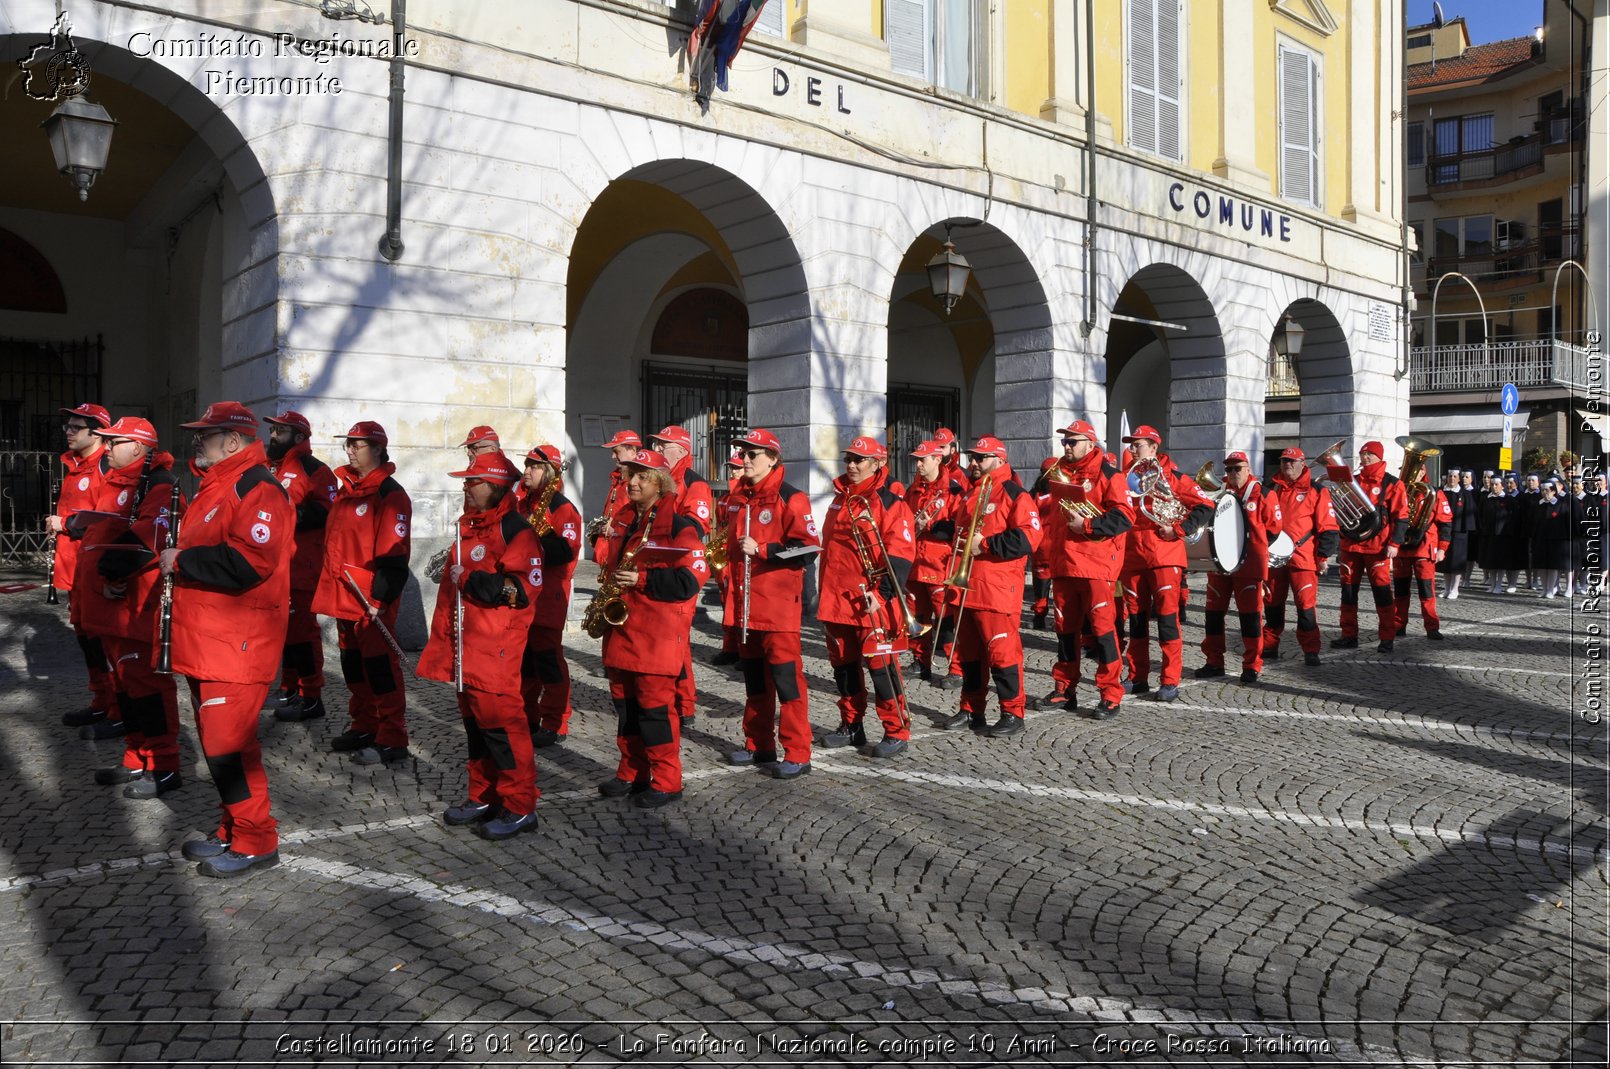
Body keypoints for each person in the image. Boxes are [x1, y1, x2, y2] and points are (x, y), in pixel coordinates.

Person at [160, 401, 294, 878]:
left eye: (206, 435)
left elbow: (247, 562)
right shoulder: (216, 486)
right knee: (223, 746)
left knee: (227, 750)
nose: (198, 442)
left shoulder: (258, 488)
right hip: (209, 642)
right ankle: (234, 828)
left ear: (232, 441)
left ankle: (256, 840)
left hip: (238, 644)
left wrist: (180, 561)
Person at [418, 451, 543, 840]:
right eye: (467, 481)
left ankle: (520, 805)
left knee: (503, 731)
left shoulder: (517, 532)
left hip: (495, 651)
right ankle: (484, 795)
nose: (466, 487)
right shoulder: (470, 528)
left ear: (495, 487)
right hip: (465, 649)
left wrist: (469, 578)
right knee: (475, 730)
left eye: (474, 481)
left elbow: (521, 591)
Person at [75, 417, 185, 797]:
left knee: (146, 685)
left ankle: (165, 763)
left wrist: (110, 577)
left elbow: (145, 540)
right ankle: (137, 757)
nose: (106, 448)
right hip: (113, 606)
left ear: (137, 447)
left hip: (137, 604)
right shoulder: (121, 481)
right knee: (124, 684)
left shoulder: (158, 485)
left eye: (114, 441)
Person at [595, 449, 709, 807]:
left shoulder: (680, 526)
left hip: (655, 636)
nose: (632, 481)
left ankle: (667, 780)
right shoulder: (628, 519)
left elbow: (691, 580)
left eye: (641, 476)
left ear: (660, 482)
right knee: (626, 710)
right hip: (623, 632)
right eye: (631, 474)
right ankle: (632, 772)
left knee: (655, 712)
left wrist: (642, 579)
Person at [312, 421, 414, 765]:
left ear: (378, 449)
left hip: (370, 599)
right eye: (349, 444)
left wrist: (381, 600)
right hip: (343, 596)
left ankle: (393, 736)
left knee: (380, 668)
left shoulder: (389, 493)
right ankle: (365, 724)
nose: (350, 449)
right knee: (353, 666)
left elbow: (394, 552)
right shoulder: (347, 490)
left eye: (358, 444)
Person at [720, 429, 821, 767]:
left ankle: (797, 753)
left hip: (777, 610)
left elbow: (808, 548)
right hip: (746, 608)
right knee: (754, 683)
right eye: (743, 453)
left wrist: (763, 550)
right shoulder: (739, 497)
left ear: (773, 459)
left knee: (787, 683)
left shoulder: (792, 497)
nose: (745, 459)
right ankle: (758, 744)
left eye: (753, 454)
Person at [817, 436, 916, 763]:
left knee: (881, 667)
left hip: (872, 600)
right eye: (849, 459)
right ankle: (851, 724)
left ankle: (896, 729)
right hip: (837, 598)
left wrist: (883, 593)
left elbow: (900, 555)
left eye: (860, 460)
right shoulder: (838, 499)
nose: (852, 465)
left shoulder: (891, 503)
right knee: (843, 667)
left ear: (877, 464)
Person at [939, 435, 1045, 733]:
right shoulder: (972, 493)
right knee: (969, 657)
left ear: (999, 460)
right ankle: (972, 709)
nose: (973, 463)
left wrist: (985, 545)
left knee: (1002, 654)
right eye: (972, 458)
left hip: (996, 589)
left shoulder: (1015, 494)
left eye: (980, 458)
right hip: (967, 587)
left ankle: (1013, 713)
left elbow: (1029, 538)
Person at [1030, 422, 1129, 717]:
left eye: (1073, 442)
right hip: (1064, 563)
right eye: (1065, 443)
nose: (1067, 447)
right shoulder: (1060, 470)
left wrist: (1087, 525)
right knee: (1064, 630)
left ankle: (1111, 693)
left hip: (1096, 564)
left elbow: (1124, 516)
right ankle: (1064, 689)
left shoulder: (1109, 474)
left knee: (1101, 630)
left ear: (1090, 442)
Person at [1116, 425, 1214, 698]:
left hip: (1164, 554)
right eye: (1131, 444)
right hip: (1132, 556)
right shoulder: (1126, 477)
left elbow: (1206, 505)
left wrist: (1179, 529)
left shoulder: (1174, 477)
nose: (1132, 449)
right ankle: (1137, 677)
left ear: (1154, 447)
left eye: (1138, 444)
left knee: (1168, 621)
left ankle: (1170, 679)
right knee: (1136, 621)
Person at [264, 411, 339, 723]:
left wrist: (288, 515)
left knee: (302, 631)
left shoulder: (315, 470)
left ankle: (311, 697)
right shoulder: (270, 468)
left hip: (303, 565)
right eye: (272, 431)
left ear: (298, 436)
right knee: (283, 631)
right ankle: (289, 688)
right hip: (277, 566)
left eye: (279, 431)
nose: (272, 436)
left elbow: (327, 512)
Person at [50, 403, 119, 736]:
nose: (68, 431)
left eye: (76, 427)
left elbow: (107, 520)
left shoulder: (106, 465)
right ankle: (101, 701)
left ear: (97, 432)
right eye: (68, 425)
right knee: (86, 639)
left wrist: (64, 523)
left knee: (103, 641)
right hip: (74, 569)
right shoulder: (75, 465)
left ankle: (117, 709)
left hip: (95, 570)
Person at [1196, 452, 1282, 682]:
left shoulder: (1264, 494)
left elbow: (1274, 530)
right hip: (1219, 565)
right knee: (1213, 616)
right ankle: (1214, 662)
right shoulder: (1219, 492)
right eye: (1229, 469)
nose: (1232, 473)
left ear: (1248, 468)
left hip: (1248, 566)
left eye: (1237, 468)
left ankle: (1252, 665)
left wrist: (1251, 547)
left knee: (1250, 618)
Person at [518, 444, 583, 747]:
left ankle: (556, 722)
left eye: (534, 466)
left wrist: (538, 534)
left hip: (548, 597)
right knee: (525, 664)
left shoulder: (563, 508)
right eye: (527, 465)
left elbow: (565, 551)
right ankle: (528, 717)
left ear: (549, 472)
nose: (527, 471)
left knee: (549, 663)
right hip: (524, 597)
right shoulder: (522, 503)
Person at [649, 425, 713, 729]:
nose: (658, 449)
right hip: (653, 563)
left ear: (682, 451)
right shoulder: (656, 478)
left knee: (677, 638)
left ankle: (685, 703)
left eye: (664, 445)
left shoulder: (694, 483)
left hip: (681, 567)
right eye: (657, 445)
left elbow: (695, 528)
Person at [1331, 441, 1410, 652]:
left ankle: (1387, 636)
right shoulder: (1352, 480)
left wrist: (1395, 543)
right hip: (1351, 546)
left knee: (1382, 593)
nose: (1364, 457)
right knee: (1347, 593)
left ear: (1379, 457)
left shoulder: (1393, 484)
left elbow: (1401, 517)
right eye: (1362, 454)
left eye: (1369, 454)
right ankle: (1348, 634)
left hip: (1378, 548)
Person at [1262, 447, 1337, 666]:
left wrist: (1323, 556)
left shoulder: (1317, 490)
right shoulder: (1271, 488)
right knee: (1272, 604)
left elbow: (1328, 526)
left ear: (1303, 463)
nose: (1288, 465)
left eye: (1292, 461)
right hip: (1274, 558)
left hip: (1303, 558)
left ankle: (1311, 649)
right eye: (1284, 461)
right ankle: (1269, 645)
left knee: (1305, 606)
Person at [902, 440, 966, 687]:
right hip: (915, 562)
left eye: (923, 459)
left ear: (937, 460)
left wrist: (928, 525)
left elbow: (958, 527)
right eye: (916, 459)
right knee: (917, 617)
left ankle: (957, 668)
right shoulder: (913, 489)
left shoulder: (954, 490)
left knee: (946, 618)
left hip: (939, 564)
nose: (918, 464)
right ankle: (921, 662)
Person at [1392, 468, 1453, 640]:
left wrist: (1442, 548)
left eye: (1416, 471)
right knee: (1400, 591)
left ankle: (1432, 626)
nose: (1411, 474)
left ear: (1422, 473)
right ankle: (1398, 625)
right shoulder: (1398, 491)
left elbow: (1446, 522)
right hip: (1402, 549)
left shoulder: (1434, 493)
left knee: (1426, 591)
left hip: (1424, 549)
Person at [707, 447, 747, 668]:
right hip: (725, 556)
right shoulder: (723, 499)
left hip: (741, 556)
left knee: (741, 603)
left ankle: (745, 650)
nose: (733, 472)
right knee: (726, 603)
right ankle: (729, 647)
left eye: (737, 469)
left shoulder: (746, 497)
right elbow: (720, 526)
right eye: (731, 468)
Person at [588, 429, 642, 560]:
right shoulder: (618, 477)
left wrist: (617, 525)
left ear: (632, 451)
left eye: (616, 451)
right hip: (610, 549)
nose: (613, 456)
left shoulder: (640, 480)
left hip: (624, 550)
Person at [1437, 469, 1476, 601]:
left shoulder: (1465, 494)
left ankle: (1455, 588)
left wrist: (1465, 529)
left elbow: (1470, 512)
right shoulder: (1442, 492)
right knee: (1445, 561)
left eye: (1455, 476)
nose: (1452, 478)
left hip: (1459, 531)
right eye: (1450, 476)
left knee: (1456, 561)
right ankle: (1447, 587)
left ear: (1459, 479)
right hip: (1444, 531)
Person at [1477, 475, 1518, 594]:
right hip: (1488, 535)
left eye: (1496, 484)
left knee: (1500, 562)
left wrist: (1508, 531)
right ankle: (1492, 583)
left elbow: (1513, 518)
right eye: (1492, 485)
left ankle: (1499, 584)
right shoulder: (1486, 500)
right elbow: (1480, 516)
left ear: (1502, 486)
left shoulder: (1509, 500)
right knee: (1490, 561)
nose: (1494, 487)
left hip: (1503, 536)